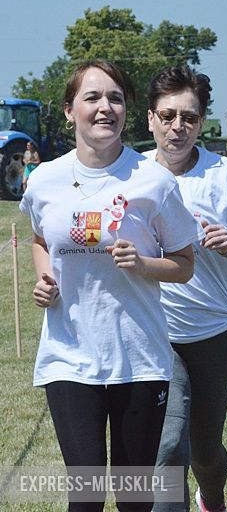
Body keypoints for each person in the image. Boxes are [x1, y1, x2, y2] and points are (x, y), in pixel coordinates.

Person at [19, 59, 199, 512]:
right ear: (69, 110)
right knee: (85, 495)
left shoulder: (153, 181)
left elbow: (184, 264)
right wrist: (45, 278)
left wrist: (142, 264)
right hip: (68, 356)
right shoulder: (44, 181)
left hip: (138, 358)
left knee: (134, 499)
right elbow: (42, 239)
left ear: (127, 110)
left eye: (115, 98)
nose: (105, 108)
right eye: (92, 98)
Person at [144, 65, 227, 512]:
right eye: (167, 116)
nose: (177, 127)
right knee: (166, 448)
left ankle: (213, 498)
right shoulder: (134, 175)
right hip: (153, 332)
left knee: (204, 449)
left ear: (202, 122)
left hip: (214, 332)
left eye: (188, 117)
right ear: (150, 119)